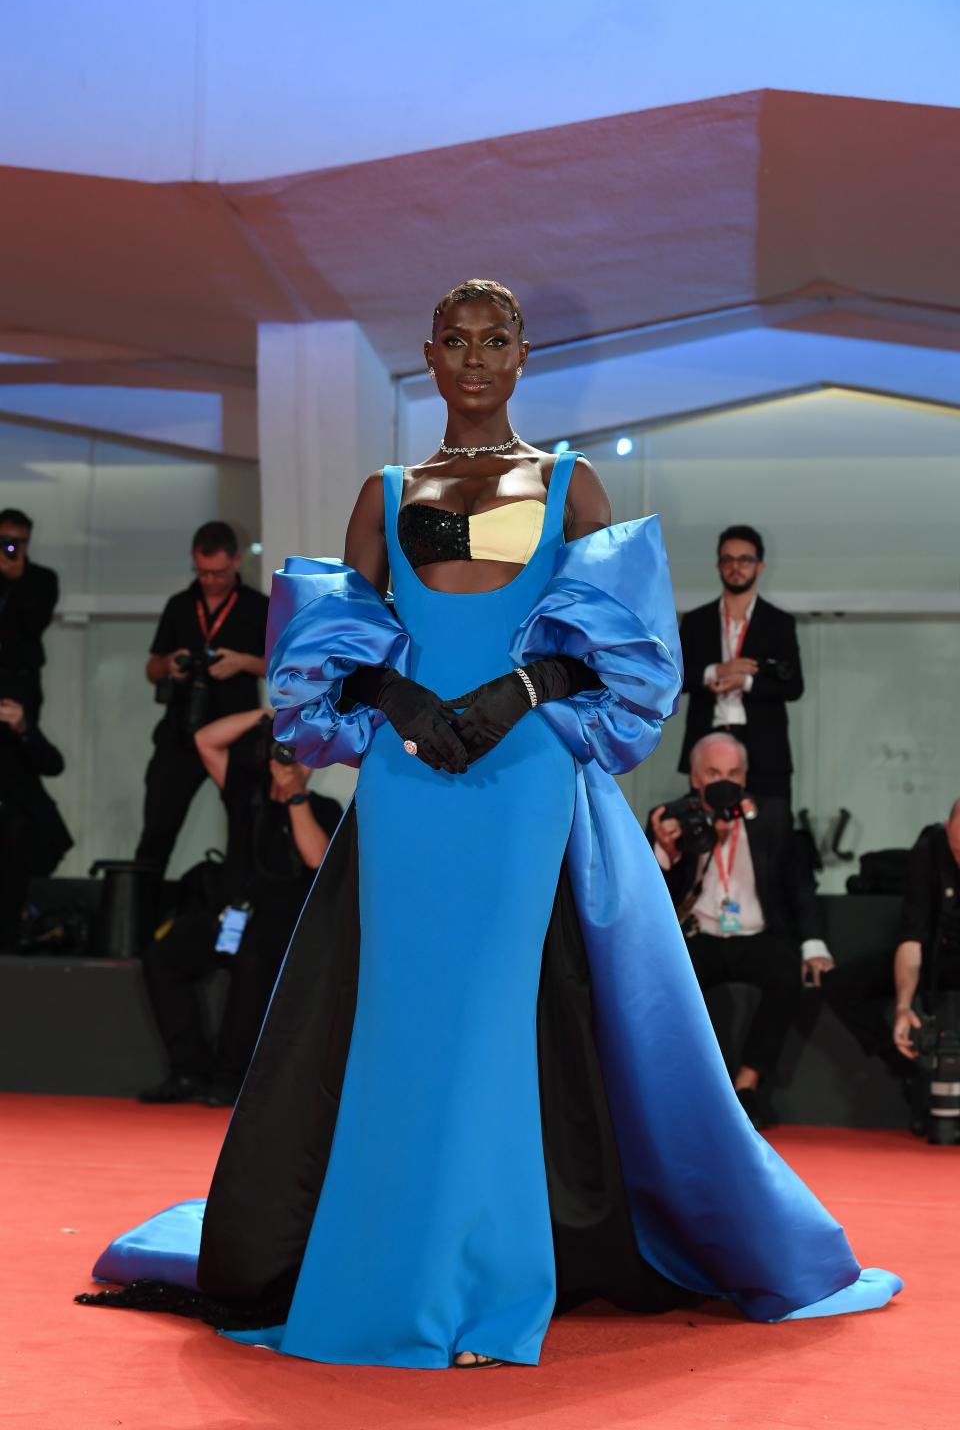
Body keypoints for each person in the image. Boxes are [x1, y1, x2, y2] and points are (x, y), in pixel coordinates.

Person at [80, 279, 900, 1365]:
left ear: (523, 356)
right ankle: (396, 1263)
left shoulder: (573, 484)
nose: (474, 358)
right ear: (428, 356)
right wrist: (400, 702)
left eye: (495, 340)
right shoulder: (385, 493)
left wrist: (512, 695)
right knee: (405, 1022)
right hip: (412, 786)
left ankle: (489, 1287)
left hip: (525, 781)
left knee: (492, 1025)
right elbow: (321, 660)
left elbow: (628, 660)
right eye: (455, 341)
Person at [138, 709, 341, 1106]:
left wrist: (295, 796)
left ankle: (229, 1080)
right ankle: (187, 1072)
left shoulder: (323, 809)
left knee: (254, 962)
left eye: (300, 757)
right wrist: (267, 715)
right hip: (228, 916)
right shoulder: (245, 793)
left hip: (278, 930)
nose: (290, 763)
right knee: (163, 956)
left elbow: (316, 858)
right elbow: (206, 740)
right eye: (284, 752)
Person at [650, 731, 832, 1127]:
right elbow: (648, 895)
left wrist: (814, 944)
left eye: (733, 772)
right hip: (699, 935)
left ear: (745, 777)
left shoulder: (772, 815)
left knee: (786, 974)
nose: (724, 781)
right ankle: (688, 1092)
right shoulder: (673, 817)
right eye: (713, 772)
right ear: (696, 778)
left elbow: (800, 885)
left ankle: (745, 1087)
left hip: (757, 935)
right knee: (671, 985)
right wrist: (665, 849)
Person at [135, 522, 269, 875]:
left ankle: (240, 911)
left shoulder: (258, 606)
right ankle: (142, 918)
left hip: (235, 734)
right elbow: (151, 668)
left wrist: (242, 662)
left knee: (247, 825)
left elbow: (280, 666)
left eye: (218, 572)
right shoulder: (180, 605)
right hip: (180, 732)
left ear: (236, 561)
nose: (210, 580)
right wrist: (170, 663)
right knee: (157, 831)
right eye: (202, 572)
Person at [677, 525, 803, 803]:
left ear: (760, 566)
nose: (736, 567)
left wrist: (745, 681)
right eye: (728, 559)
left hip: (765, 749)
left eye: (745, 559)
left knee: (771, 832)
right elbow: (676, 679)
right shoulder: (696, 621)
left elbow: (794, 686)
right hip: (708, 740)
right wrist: (718, 671)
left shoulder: (779, 622)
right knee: (708, 828)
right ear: (718, 565)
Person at [0, 694, 72, 949]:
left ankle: (12, 931)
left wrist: (24, 729)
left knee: (15, 829)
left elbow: (53, 764)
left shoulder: (9, 724)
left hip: (24, 835)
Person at [891, 801, 960, 1060]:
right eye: (957, 851)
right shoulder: (928, 851)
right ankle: (906, 1071)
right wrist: (903, 1006)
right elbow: (912, 937)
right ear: (947, 827)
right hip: (935, 954)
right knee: (844, 986)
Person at [0, 507, 60, 716]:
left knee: (21, 741)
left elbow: (35, 624)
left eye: (21, 541)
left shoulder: (42, 579)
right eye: (6, 540)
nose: (13, 547)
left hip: (20, 677)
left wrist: (18, 580)